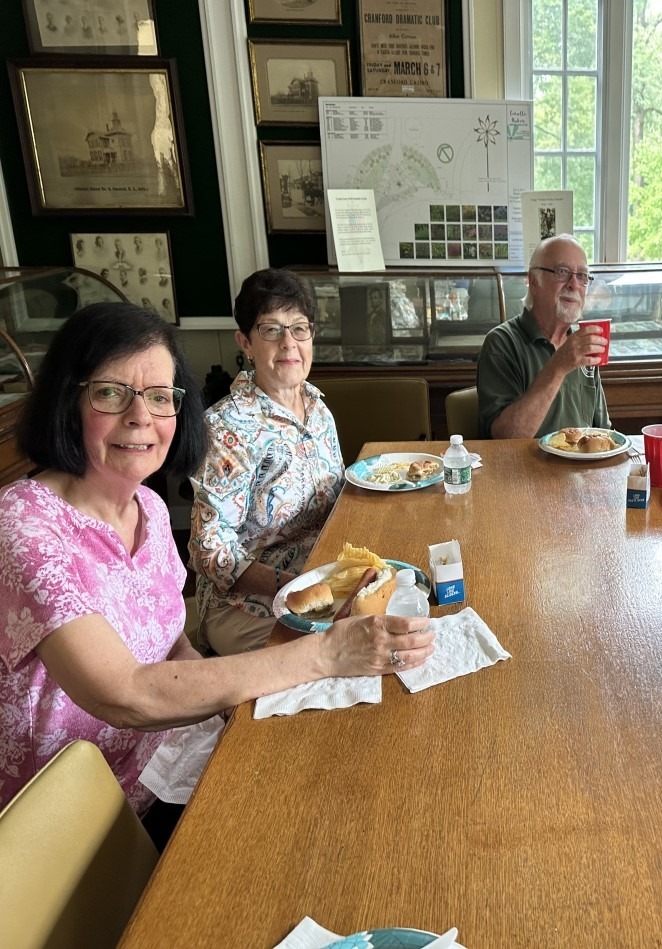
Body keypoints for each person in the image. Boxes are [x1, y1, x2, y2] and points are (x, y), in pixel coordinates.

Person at [0, 303, 434, 847]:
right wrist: (323, 654)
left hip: (165, 772)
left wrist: (232, 719)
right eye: (110, 393)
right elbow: (124, 693)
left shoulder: (150, 513)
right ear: (67, 399)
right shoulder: (25, 528)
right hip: (70, 829)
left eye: (160, 397)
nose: (141, 417)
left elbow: (172, 646)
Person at [189, 269, 344, 656]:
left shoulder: (317, 408)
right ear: (246, 342)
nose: (289, 342)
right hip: (245, 604)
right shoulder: (227, 428)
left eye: (299, 328)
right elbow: (209, 551)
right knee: (344, 652)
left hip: (322, 577)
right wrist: (292, 585)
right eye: (271, 329)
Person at [476, 234, 609, 438]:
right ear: (533, 281)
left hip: (580, 469)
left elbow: (603, 432)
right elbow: (505, 439)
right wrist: (558, 366)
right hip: (524, 469)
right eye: (562, 272)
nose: (574, 284)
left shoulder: (582, 346)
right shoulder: (501, 344)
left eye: (582, 276)